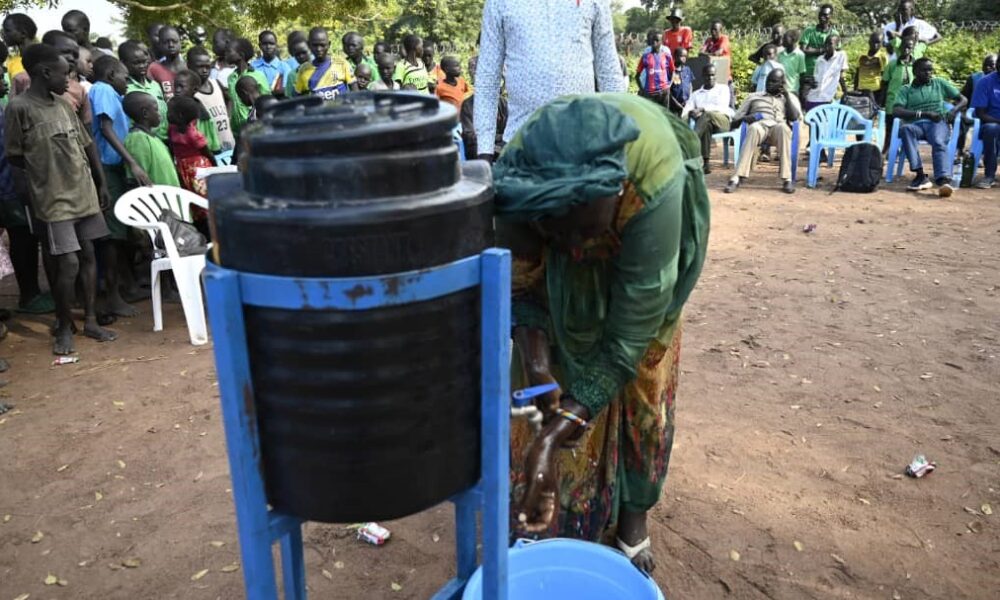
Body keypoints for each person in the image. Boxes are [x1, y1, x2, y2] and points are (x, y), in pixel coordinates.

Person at [493, 93, 709, 574]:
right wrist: (539, 369)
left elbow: (630, 336)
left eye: (586, 233)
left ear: (615, 194)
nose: (577, 252)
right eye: (562, 236)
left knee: (644, 384)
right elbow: (523, 287)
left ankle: (633, 517)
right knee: (537, 392)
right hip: (565, 218)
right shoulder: (517, 189)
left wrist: (552, 439)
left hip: (648, 243)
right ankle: (560, 512)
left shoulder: (652, 185)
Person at [5, 43, 116, 354]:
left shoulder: (64, 105)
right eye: (63, 74)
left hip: (83, 192)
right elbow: (14, 156)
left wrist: (100, 183)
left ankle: (90, 320)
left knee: (89, 255)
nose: (69, 80)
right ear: (44, 72)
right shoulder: (19, 108)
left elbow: (86, 143)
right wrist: (33, 193)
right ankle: (64, 325)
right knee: (67, 263)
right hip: (52, 199)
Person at [474, 0, 625, 162]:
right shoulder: (499, 3)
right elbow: (488, 77)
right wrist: (484, 151)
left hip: (582, 146)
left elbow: (609, 73)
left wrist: (619, 140)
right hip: (522, 146)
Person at [89, 54, 143, 318]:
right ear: (111, 75)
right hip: (108, 168)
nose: (127, 82)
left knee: (121, 232)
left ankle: (125, 287)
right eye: (124, 77)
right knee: (112, 235)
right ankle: (113, 295)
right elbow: (106, 128)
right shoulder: (103, 90)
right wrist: (132, 162)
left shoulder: (111, 93)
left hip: (114, 167)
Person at [893, 58, 966, 196]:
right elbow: (896, 111)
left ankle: (943, 180)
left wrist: (953, 111)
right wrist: (923, 114)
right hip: (916, 125)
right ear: (915, 72)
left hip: (937, 123)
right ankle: (920, 175)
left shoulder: (939, 83)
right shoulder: (906, 89)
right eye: (924, 70)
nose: (928, 73)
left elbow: (963, 100)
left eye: (930, 70)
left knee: (938, 141)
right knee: (905, 129)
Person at [725, 69, 802, 195]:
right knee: (754, 128)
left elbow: (794, 118)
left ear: (782, 84)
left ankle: (787, 179)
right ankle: (736, 177)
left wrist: (787, 95)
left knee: (784, 128)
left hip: (777, 126)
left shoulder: (787, 98)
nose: (769, 84)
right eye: (768, 81)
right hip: (760, 126)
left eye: (774, 81)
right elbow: (734, 121)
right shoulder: (753, 97)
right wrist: (746, 118)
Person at [682, 64, 734, 175]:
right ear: (703, 76)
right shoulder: (696, 94)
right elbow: (686, 111)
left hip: (723, 123)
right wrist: (690, 113)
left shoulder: (723, 89)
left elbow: (722, 107)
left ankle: (691, 142)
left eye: (713, 75)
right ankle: (706, 164)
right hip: (706, 124)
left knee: (707, 115)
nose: (710, 78)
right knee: (706, 125)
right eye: (707, 75)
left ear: (716, 76)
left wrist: (702, 109)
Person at [122, 92, 180, 189]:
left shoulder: (154, 138)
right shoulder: (138, 139)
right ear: (145, 113)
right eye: (156, 109)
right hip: (158, 197)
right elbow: (139, 181)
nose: (160, 114)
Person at [187, 46, 234, 153]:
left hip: (228, 143)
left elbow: (229, 99)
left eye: (207, 67)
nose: (204, 70)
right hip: (210, 149)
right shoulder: (190, 93)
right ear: (189, 66)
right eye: (200, 67)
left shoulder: (216, 83)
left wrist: (228, 117)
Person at [39, 31, 91, 127]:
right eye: (65, 52)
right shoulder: (25, 81)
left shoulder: (79, 90)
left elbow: (86, 126)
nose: (71, 58)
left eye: (75, 55)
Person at [119, 40, 168, 141]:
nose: (142, 66)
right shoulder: (125, 88)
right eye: (136, 63)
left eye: (144, 62)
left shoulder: (154, 85)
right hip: (144, 140)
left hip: (165, 137)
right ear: (123, 63)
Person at [167, 95, 215, 196]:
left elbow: (206, 152)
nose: (167, 114)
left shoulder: (193, 135)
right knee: (190, 193)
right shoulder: (171, 128)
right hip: (182, 167)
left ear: (180, 115)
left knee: (202, 193)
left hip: (198, 168)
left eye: (169, 111)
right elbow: (171, 148)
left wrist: (215, 168)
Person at [225, 38, 271, 140]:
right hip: (236, 131)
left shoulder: (258, 76)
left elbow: (265, 102)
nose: (225, 55)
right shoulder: (231, 78)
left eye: (228, 52)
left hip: (254, 129)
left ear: (241, 55)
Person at [295, 27, 355, 100]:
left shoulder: (342, 64)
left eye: (322, 45)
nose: (319, 49)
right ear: (309, 45)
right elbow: (298, 97)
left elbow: (355, 91)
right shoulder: (303, 70)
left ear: (329, 44)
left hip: (342, 107)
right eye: (315, 45)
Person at [173, 69, 221, 156]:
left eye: (181, 87)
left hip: (200, 156)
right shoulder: (173, 108)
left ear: (194, 89)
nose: (177, 90)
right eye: (175, 86)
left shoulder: (200, 112)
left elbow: (211, 140)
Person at [971, 48, 1000, 189]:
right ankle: (989, 175)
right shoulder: (985, 82)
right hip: (992, 122)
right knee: (991, 129)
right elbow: (980, 113)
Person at [881, 38, 917, 149]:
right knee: (890, 128)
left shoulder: (916, 65)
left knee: (907, 129)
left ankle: (904, 151)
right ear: (900, 48)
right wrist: (882, 102)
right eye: (904, 47)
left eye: (909, 47)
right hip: (892, 102)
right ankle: (886, 150)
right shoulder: (892, 65)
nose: (906, 49)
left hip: (910, 103)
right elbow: (884, 83)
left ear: (913, 49)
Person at [959, 54, 997, 156]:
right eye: (985, 65)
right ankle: (968, 154)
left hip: (994, 114)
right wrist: (963, 111)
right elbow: (964, 97)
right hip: (976, 113)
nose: (988, 68)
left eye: (991, 65)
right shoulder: (974, 79)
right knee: (968, 126)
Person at [801, 4, 838, 100]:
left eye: (825, 15)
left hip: (826, 75)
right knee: (805, 100)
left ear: (831, 16)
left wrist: (812, 49)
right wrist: (822, 50)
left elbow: (835, 54)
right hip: (809, 73)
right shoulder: (809, 31)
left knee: (825, 102)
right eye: (821, 14)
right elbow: (803, 49)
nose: (822, 17)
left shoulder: (834, 34)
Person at [805, 35, 847, 112]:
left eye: (830, 44)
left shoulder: (841, 56)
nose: (827, 46)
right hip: (813, 97)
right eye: (826, 43)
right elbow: (816, 77)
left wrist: (846, 92)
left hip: (827, 98)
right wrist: (811, 82)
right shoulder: (819, 59)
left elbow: (841, 76)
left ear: (836, 45)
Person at [146, 26, 184, 101]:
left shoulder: (189, 66)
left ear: (180, 42)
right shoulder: (153, 69)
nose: (171, 45)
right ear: (159, 45)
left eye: (174, 41)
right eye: (166, 42)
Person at [636, 30, 673, 107]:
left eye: (657, 40)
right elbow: (637, 75)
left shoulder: (667, 55)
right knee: (649, 113)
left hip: (664, 92)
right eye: (653, 40)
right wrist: (642, 90)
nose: (654, 42)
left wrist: (669, 85)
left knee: (664, 113)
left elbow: (672, 71)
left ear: (661, 41)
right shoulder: (646, 56)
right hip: (650, 93)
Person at [251, 30, 289, 97]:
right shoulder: (253, 67)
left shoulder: (284, 67)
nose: (268, 47)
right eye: (264, 44)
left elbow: (286, 90)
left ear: (276, 45)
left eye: (271, 44)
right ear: (260, 45)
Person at [855, 31, 889, 104]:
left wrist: (882, 98)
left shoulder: (882, 57)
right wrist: (855, 89)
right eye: (873, 42)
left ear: (882, 43)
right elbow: (857, 74)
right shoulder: (861, 56)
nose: (875, 45)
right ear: (869, 42)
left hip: (875, 91)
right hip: (861, 90)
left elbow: (885, 79)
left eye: (878, 42)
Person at [777, 29, 807, 97]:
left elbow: (802, 74)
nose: (782, 41)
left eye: (785, 39)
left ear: (793, 40)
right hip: (780, 89)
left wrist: (801, 92)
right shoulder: (780, 54)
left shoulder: (800, 55)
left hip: (792, 90)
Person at [669, 47, 693, 118]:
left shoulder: (687, 69)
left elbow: (690, 85)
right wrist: (676, 103)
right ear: (675, 57)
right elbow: (668, 90)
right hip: (674, 105)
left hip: (686, 104)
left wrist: (689, 100)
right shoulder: (671, 71)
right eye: (682, 56)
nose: (684, 58)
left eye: (685, 56)